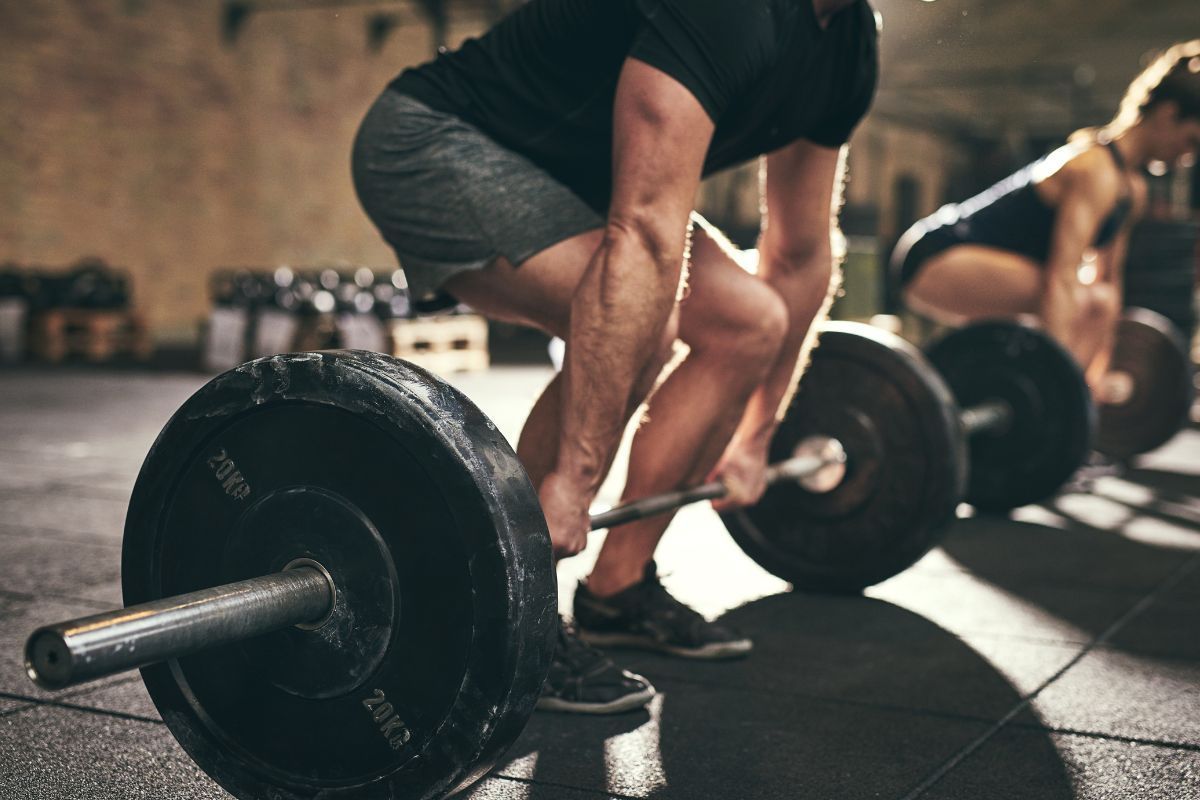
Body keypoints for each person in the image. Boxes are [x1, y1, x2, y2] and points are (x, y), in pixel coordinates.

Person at [353, 0, 879, 714]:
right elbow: (645, 233)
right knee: (644, 329)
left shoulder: (848, 41)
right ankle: (505, 621)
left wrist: (758, 434)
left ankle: (618, 590)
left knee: (750, 323)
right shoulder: (737, 12)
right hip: (440, 142)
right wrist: (575, 478)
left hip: (582, 182)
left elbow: (801, 252)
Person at [892, 40, 1200, 395]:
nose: (1187, 156)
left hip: (990, 268)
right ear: (1167, 115)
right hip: (933, 256)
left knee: (1099, 299)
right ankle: (1054, 395)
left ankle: (1065, 400)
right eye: (1190, 140)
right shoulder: (1094, 168)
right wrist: (1057, 381)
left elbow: (1110, 283)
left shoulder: (1133, 190)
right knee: (1083, 300)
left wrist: (1099, 373)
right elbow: (1062, 277)